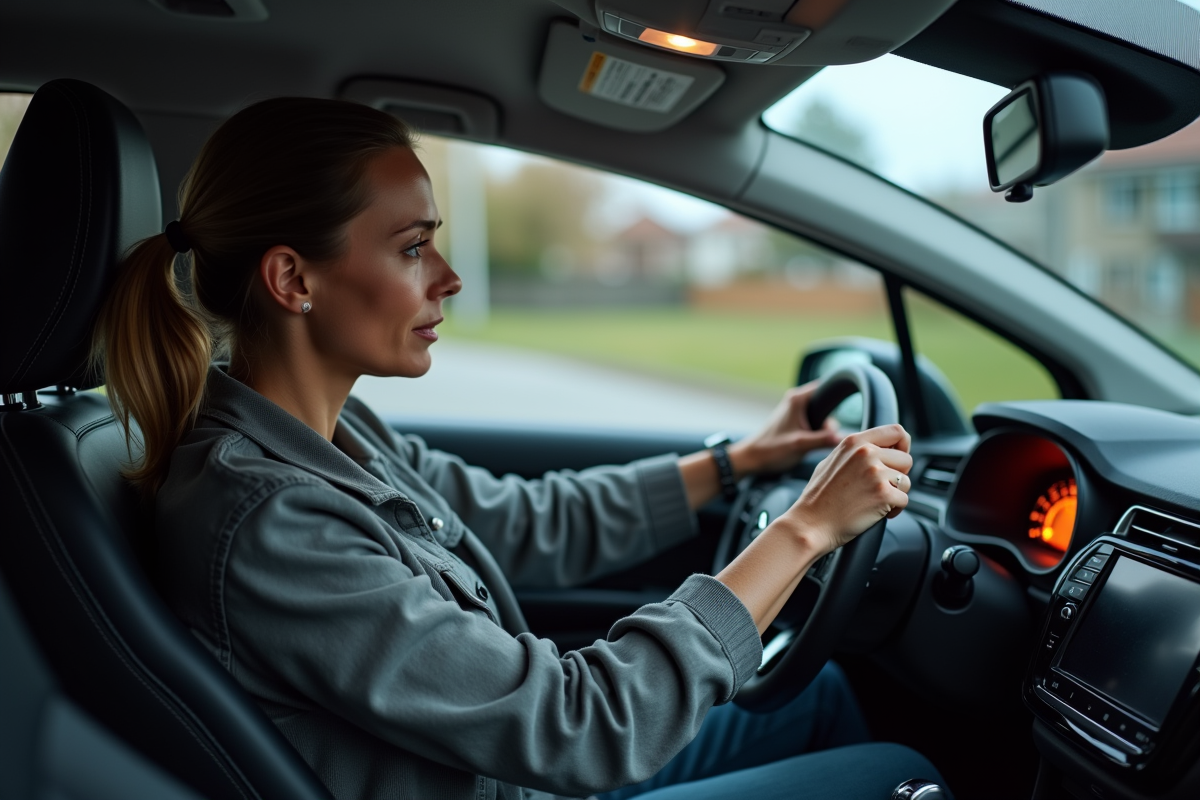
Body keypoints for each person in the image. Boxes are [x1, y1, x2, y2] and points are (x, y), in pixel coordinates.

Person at [94, 97, 947, 800]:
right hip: (540, 773)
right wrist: (801, 532)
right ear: (293, 280)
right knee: (897, 776)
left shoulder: (339, 438)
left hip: (521, 775)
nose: (449, 277)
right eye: (413, 246)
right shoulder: (273, 521)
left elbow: (526, 520)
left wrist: (738, 463)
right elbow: (578, 729)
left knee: (821, 696)